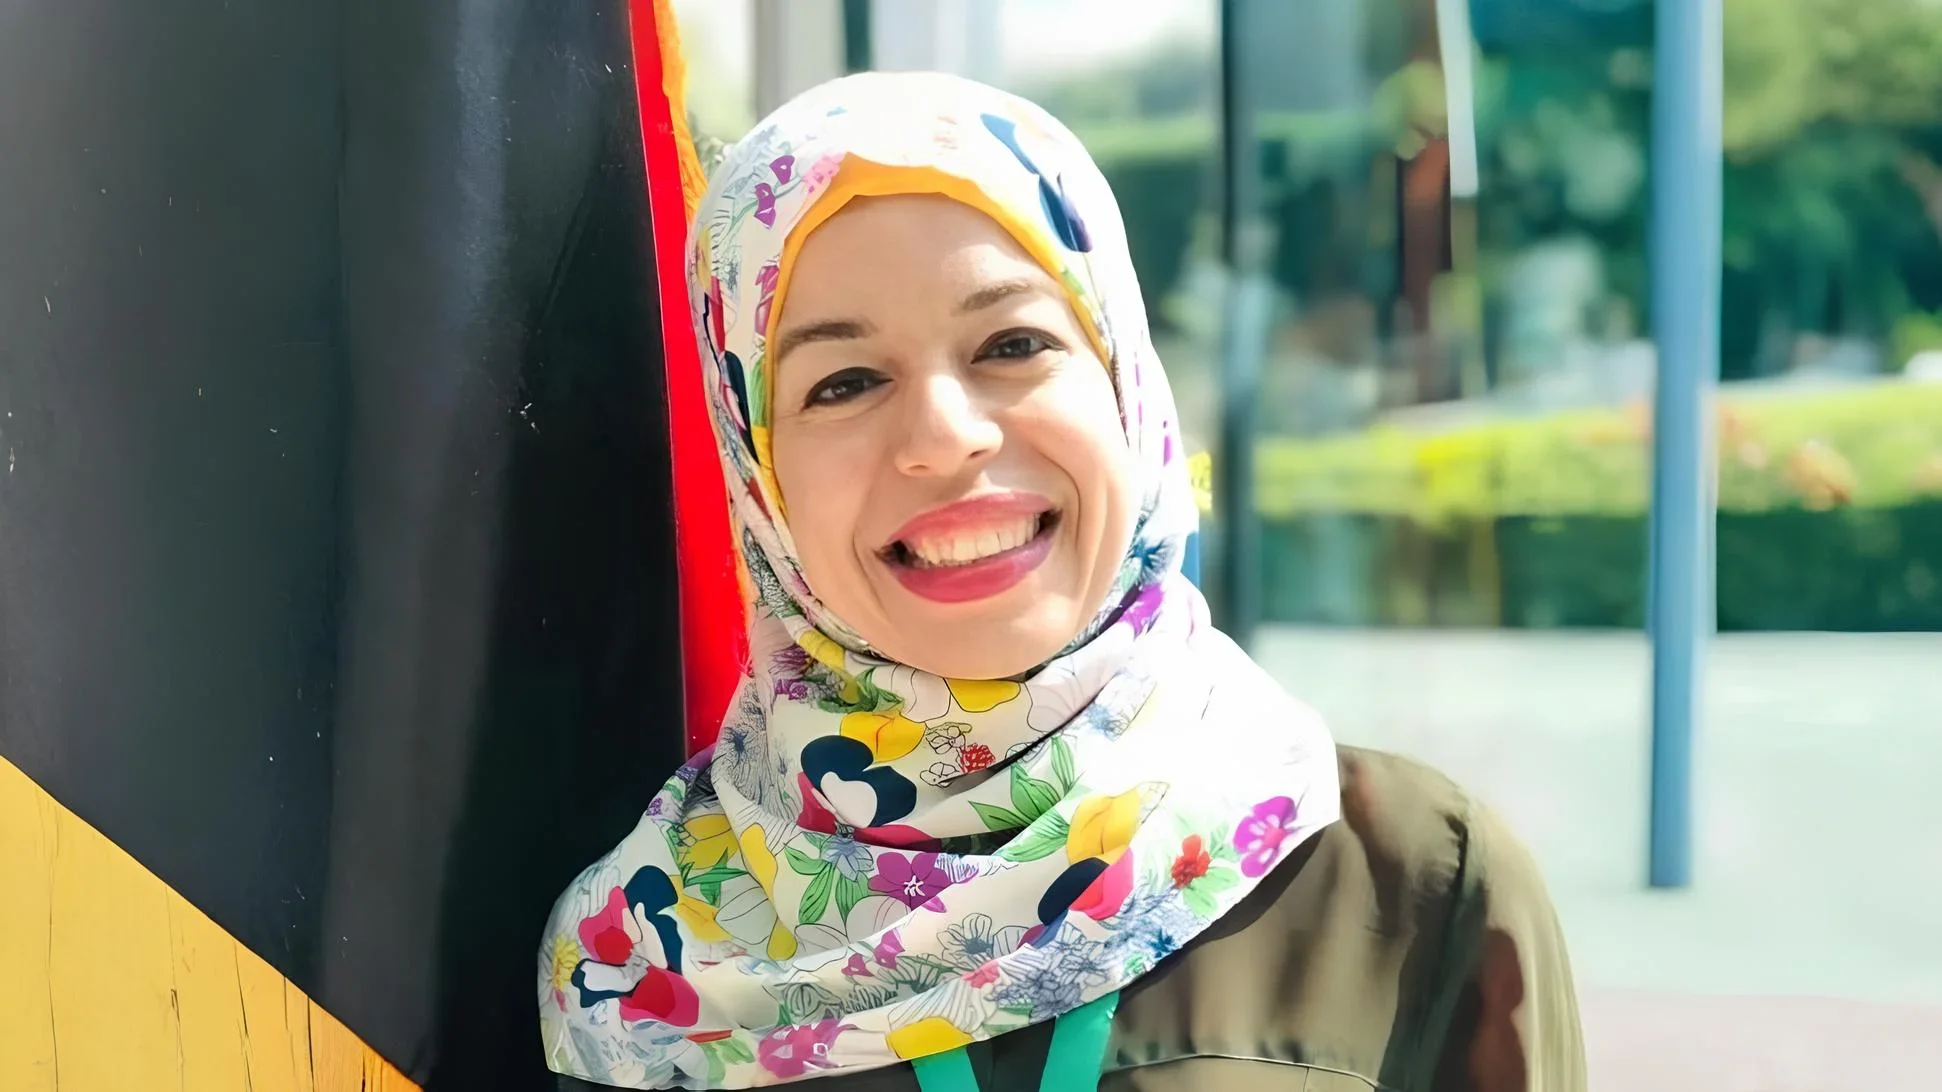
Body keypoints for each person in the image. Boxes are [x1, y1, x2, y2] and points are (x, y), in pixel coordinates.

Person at [539, 72, 1584, 1091]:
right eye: (844, 382)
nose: (944, 435)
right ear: (755, 471)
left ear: (1125, 383)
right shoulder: (639, 966)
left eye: (1013, 342)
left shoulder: (1408, 886)